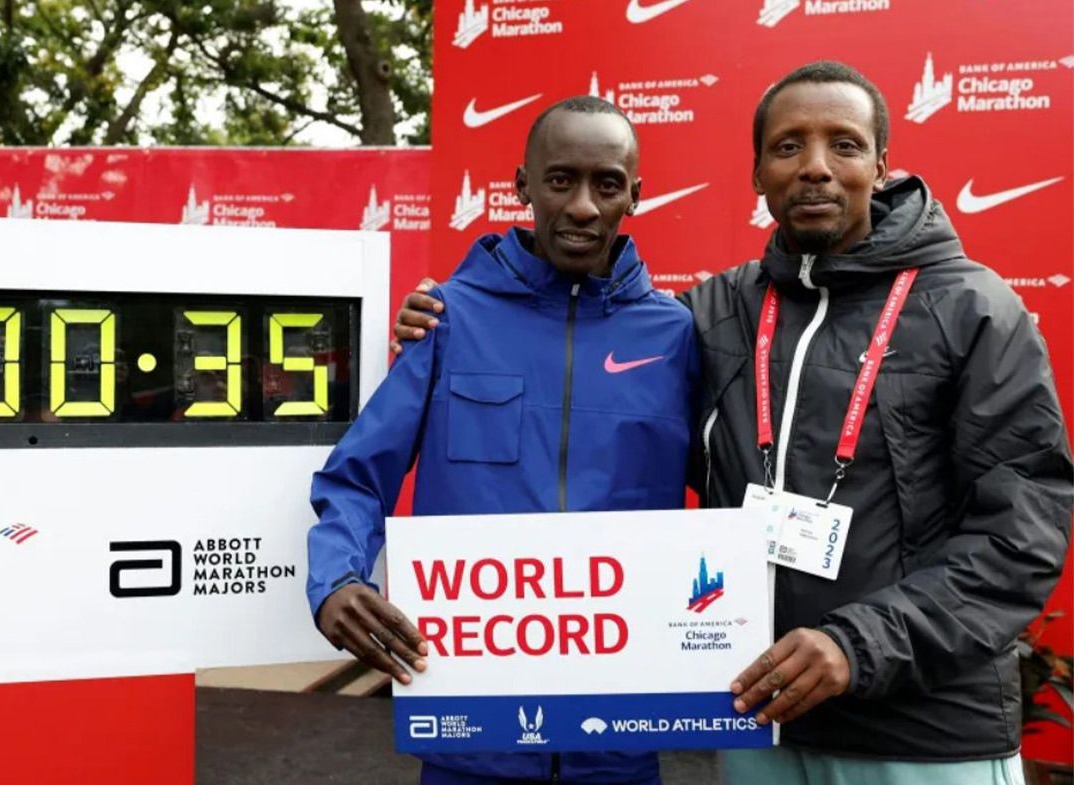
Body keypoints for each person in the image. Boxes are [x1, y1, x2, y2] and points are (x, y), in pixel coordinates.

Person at [393, 61, 1073, 785]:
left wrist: (860, 643)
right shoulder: (715, 313)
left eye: (843, 144)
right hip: (758, 719)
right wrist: (453, 318)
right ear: (757, 175)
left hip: (923, 733)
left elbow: (1021, 532)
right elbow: (580, 367)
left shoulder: (973, 308)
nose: (814, 166)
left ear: (881, 165)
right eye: (788, 147)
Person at [307, 96, 698, 785]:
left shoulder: (676, 334)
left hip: (619, 735)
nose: (582, 206)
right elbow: (356, 475)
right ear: (522, 186)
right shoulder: (448, 319)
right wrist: (335, 578)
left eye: (606, 183)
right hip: (471, 730)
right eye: (559, 180)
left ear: (635, 195)